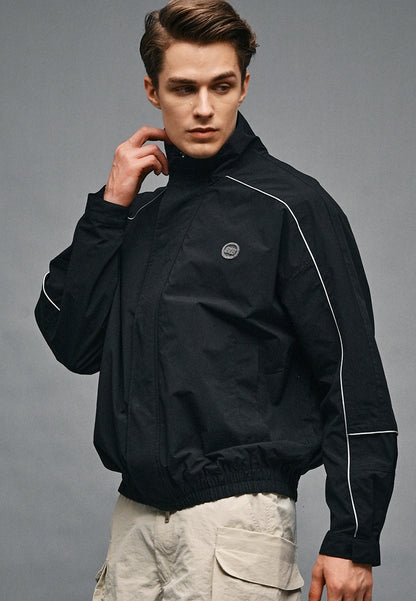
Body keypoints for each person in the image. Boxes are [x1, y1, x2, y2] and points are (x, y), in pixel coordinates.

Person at [35, 1, 398, 599]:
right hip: (133, 526)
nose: (203, 108)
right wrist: (108, 207)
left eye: (221, 86)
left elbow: (351, 375)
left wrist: (353, 539)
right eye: (184, 88)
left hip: (234, 524)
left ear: (244, 86)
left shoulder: (291, 207)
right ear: (152, 91)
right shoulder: (135, 216)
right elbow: (75, 344)